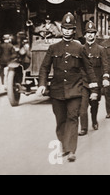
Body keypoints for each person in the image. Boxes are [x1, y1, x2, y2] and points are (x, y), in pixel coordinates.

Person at [37, 12, 98, 162]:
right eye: (65, 28)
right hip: (57, 90)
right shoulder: (53, 48)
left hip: (75, 89)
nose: (67, 31)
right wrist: (42, 84)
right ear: (61, 29)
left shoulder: (80, 48)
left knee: (72, 118)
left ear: (73, 31)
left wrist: (94, 88)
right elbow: (44, 67)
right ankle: (64, 146)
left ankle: (71, 150)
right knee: (60, 120)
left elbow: (89, 69)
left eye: (70, 28)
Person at [78, 21, 110, 135]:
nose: (90, 35)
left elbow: (105, 65)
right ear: (85, 35)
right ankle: (84, 128)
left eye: (92, 32)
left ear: (95, 34)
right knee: (83, 106)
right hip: (84, 82)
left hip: (96, 82)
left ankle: (94, 120)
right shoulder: (80, 49)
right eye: (88, 32)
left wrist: (105, 78)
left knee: (94, 104)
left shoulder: (101, 49)